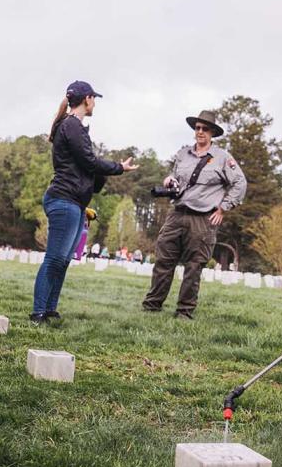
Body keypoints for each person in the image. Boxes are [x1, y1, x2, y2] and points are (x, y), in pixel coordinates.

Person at [32, 80, 137, 325]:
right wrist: (119, 168)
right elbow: (89, 161)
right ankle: (38, 312)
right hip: (64, 199)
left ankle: (50, 309)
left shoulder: (72, 126)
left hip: (75, 203)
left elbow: (85, 165)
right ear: (87, 99)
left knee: (64, 260)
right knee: (54, 258)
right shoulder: (72, 125)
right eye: (94, 99)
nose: (94, 103)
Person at [142, 110, 247, 319]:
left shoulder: (222, 158)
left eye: (205, 129)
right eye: (197, 128)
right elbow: (176, 175)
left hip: (202, 218)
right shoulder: (183, 154)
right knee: (164, 260)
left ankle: (184, 311)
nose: (200, 132)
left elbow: (240, 183)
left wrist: (224, 207)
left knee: (194, 265)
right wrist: (169, 179)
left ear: (212, 133)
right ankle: (152, 306)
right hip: (177, 213)